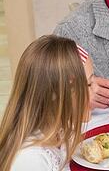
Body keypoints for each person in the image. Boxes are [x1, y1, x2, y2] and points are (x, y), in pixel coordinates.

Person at [0, 35, 93, 171]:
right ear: (63, 94)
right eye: (90, 84)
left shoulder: (59, 129)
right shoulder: (30, 159)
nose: (94, 91)